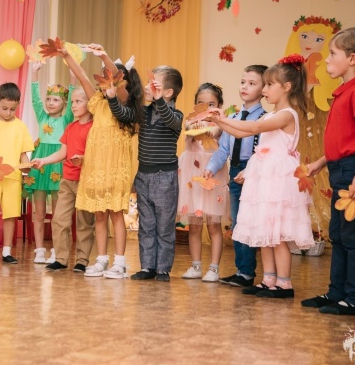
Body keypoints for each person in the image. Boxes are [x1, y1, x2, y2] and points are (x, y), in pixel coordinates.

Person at [208, 55, 313, 299]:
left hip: (278, 180)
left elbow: (254, 128)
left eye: (269, 85)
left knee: (278, 236)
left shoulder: (287, 114)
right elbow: (240, 133)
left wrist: (222, 119)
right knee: (264, 233)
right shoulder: (269, 115)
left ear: (286, 87)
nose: (264, 90)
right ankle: (268, 280)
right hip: (264, 178)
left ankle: (284, 284)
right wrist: (219, 122)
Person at [301, 27, 355, 316]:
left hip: (353, 171)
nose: (326, 59)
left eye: (332, 53)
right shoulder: (344, 91)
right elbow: (343, 139)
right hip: (340, 169)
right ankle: (337, 293)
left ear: (352, 59)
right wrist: (321, 162)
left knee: (353, 236)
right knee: (338, 234)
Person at [60, 45, 142, 279]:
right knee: (99, 214)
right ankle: (102, 260)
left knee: (116, 213)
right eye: (104, 77)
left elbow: (116, 82)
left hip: (116, 167)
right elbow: (82, 77)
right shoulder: (97, 101)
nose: (106, 81)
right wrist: (66, 55)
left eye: (111, 77)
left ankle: (120, 262)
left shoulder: (124, 101)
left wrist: (104, 56)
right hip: (96, 165)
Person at [112, 65, 184, 283]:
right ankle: (148, 266)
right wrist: (112, 97)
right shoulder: (144, 112)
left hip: (165, 177)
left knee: (164, 226)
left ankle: (162, 269)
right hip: (144, 175)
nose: (146, 87)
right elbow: (124, 114)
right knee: (146, 224)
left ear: (168, 92)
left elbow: (170, 120)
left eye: (152, 83)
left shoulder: (176, 115)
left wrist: (159, 100)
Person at [204, 65, 267, 288]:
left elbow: (263, 151)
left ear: (264, 89)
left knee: (250, 223)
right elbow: (223, 150)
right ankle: (242, 271)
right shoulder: (232, 117)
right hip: (234, 173)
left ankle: (248, 272)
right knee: (237, 223)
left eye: (252, 83)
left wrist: (251, 170)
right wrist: (211, 167)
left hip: (254, 173)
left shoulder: (265, 119)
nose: (244, 87)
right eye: (242, 82)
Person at [32, 87, 95, 272]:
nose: (73, 106)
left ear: (90, 104)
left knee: (84, 222)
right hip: (67, 180)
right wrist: (44, 160)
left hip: (85, 181)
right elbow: (63, 152)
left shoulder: (95, 128)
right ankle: (61, 258)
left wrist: (83, 159)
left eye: (78, 102)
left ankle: (82, 260)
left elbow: (98, 154)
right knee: (59, 219)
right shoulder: (70, 127)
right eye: (72, 102)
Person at [178, 83, 229, 282]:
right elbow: (188, 128)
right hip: (193, 178)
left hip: (213, 176)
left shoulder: (222, 124)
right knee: (195, 225)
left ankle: (214, 269)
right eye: (201, 103)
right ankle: (196, 266)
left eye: (211, 104)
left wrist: (211, 129)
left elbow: (216, 132)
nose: (206, 108)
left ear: (219, 106)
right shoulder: (190, 121)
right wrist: (195, 126)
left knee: (214, 225)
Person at [26, 62, 75, 264]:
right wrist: (34, 73)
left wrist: (72, 75)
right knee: (38, 213)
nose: (50, 102)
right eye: (49, 99)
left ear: (64, 104)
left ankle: (57, 249)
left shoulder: (66, 119)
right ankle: (39, 250)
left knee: (58, 214)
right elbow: (35, 99)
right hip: (41, 164)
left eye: (56, 99)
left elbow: (73, 94)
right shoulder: (41, 115)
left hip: (58, 163)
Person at [0, 83, 34, 264]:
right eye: (4, 108)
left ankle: (6, 252)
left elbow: (24, 155)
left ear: (18, 105)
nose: (8, 112)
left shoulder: (21, 127)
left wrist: (26, 167)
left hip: (13, 178)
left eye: (12, 109)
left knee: (11, 214)